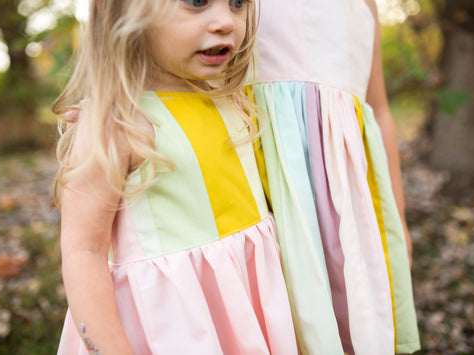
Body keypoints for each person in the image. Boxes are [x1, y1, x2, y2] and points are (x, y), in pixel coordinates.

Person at [53, 1, 298, 354]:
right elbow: (83, 253)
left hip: (249, 299)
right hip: (173, 321)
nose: (226, 22)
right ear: (127, 13)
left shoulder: (234, 100)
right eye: (197, 1)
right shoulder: (118, 123)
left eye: (238, 3)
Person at [252, 0, 421, 354]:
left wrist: (398, 218)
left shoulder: (366, 5)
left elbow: (380, 108)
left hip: (347, 198)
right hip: (265, 178)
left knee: (349, 315)